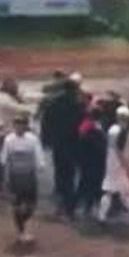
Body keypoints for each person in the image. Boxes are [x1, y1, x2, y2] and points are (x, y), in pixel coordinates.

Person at [40, 78, 85, 220]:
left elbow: (45, 123)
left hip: (58, 145)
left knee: (61, 174)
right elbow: (81, 125)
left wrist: (46, 141)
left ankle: (63, 205)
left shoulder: (53, 103)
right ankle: (70, 206)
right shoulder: (77, 105)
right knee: (71, 175)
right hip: (73, 144)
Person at [1, 114, 47, 243]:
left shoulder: (32, 139)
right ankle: (21, 231)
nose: (18, 127)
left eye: (21, 124)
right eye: (16, 125)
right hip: (15, 177)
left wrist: (41, 164)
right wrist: (5, 177)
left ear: (25, 126)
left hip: (29, 176)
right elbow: (4, 159)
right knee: (17, 205)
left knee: (31, 205)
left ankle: (23, 223)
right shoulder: (8, 140)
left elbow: (38, 153)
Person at [99, 107, 129, 226]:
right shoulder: (122, 132)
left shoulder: (112, 129)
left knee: (109, 191)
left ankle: (101, 217)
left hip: (110, 163)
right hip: (119, 165)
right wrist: (128, 169)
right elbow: (120, 152)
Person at [75, 107, 108, 220]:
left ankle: (86, 208)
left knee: (87, 184)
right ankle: (94, 209)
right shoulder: (95, 129)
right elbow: (101, 147)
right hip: (95, 162)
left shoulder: (86, 126)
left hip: (87, 161)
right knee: (95, 185)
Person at [0, 78, 32, 144]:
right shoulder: (3, 98)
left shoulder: (4, 97)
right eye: (15, 87)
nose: (17, 89)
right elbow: (25, 110)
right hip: (7, 132)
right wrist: (20, 100)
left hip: (7, 131)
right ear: (8, 87)